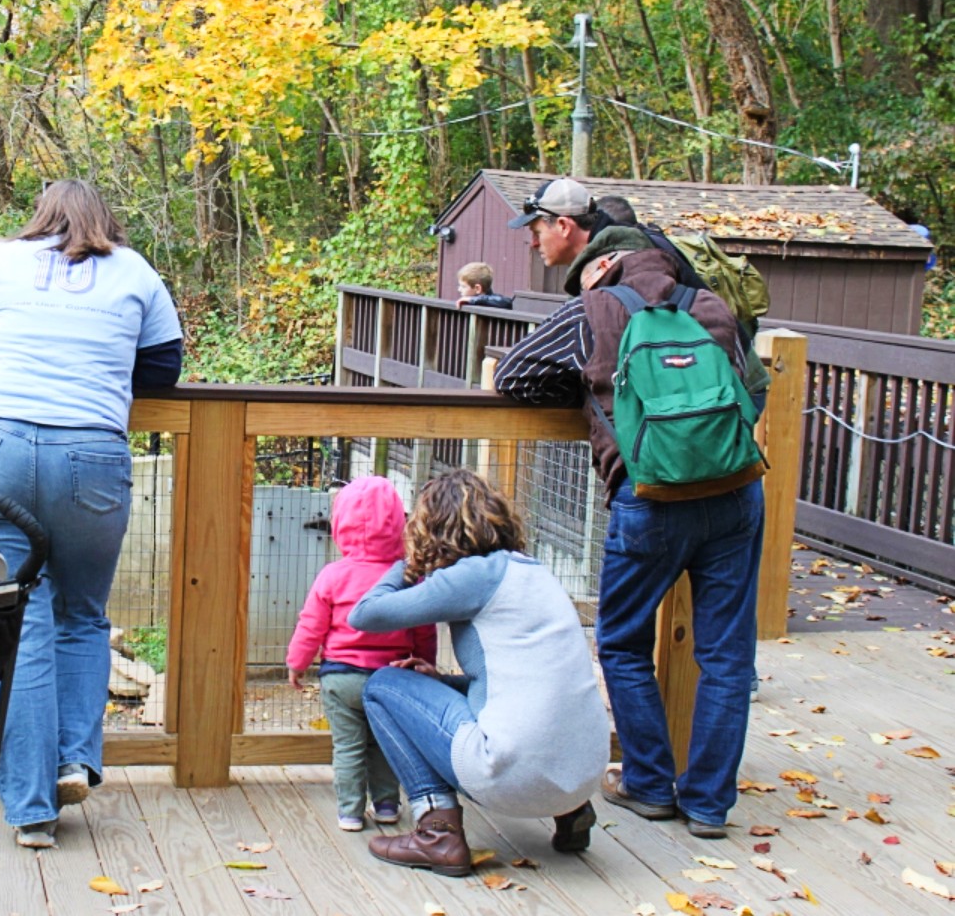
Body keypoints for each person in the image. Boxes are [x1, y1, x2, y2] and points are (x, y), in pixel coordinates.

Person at [494, 176, 766, 839]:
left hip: (649, 497)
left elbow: (512, 378)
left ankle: (647, 781)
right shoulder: (701, 297)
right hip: (735, 492)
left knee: (620, 640)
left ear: (570, 228)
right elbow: (750, 389)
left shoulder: (593, 307)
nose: (531, 238)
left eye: (535, 226)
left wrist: (593, 393)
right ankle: (706, 802)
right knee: (726, 654)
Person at [0, 179, 182, 849]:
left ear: (38, 215)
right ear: (106, 219)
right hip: (88, 453)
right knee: (80, 611)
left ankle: (30, 807)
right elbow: (164, 367)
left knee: (20, 615)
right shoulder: (135, 271)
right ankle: (73, 758)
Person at [348, 468, 607, 876]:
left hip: (511, 778)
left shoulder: (471, 575)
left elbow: (367, 614)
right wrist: (443, 683)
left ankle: (437, 834)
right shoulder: (532, 570)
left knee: (383, 687)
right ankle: (572, 814)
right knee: (533, 707)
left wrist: (409, 562)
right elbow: (521, 684)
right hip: (584, 771)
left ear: (432, 526)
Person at [286, 476, 438, 833]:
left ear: (340, 525)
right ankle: (387, 805)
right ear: (400, 526)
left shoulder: (332, 575)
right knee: (385, 742)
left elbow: (312, 625)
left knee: (348, 746)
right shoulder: (407, 576)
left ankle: (350, 812)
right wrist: (425, 662)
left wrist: (297, 662)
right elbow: (423, 628)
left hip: (341, 678)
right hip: (391, 677)